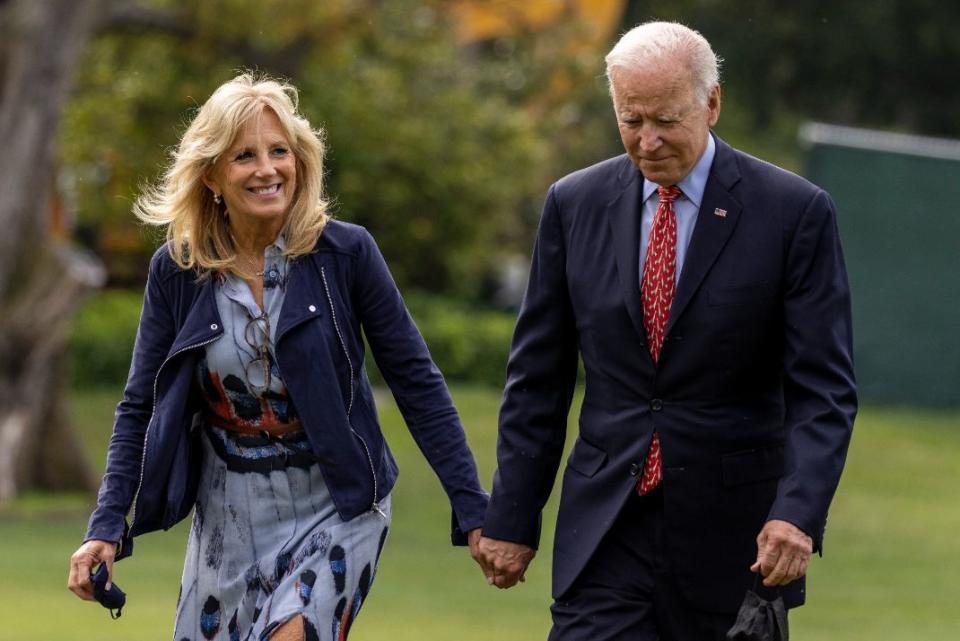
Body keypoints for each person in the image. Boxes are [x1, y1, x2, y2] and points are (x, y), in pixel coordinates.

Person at [67, 73, 488, 640]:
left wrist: (472, 507)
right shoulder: (178, 272)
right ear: (213, 175)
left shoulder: (345, 253)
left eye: (279, 152)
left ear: (300, 161)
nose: (267, 169)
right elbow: (139, 404)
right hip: (227, 520)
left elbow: (417, 381)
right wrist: (107, 525)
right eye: (245, 156)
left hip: (338, 506)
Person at [475, 21, 856, 640]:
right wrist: (513, 514)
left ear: (712, 102)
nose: (647, 142)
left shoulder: (794, 214)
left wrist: (798, 513)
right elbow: (537, 379)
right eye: (631, 120)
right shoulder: (574, 205)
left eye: (665, 120)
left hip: (734, 538)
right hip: (605, 529)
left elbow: (824, 389)